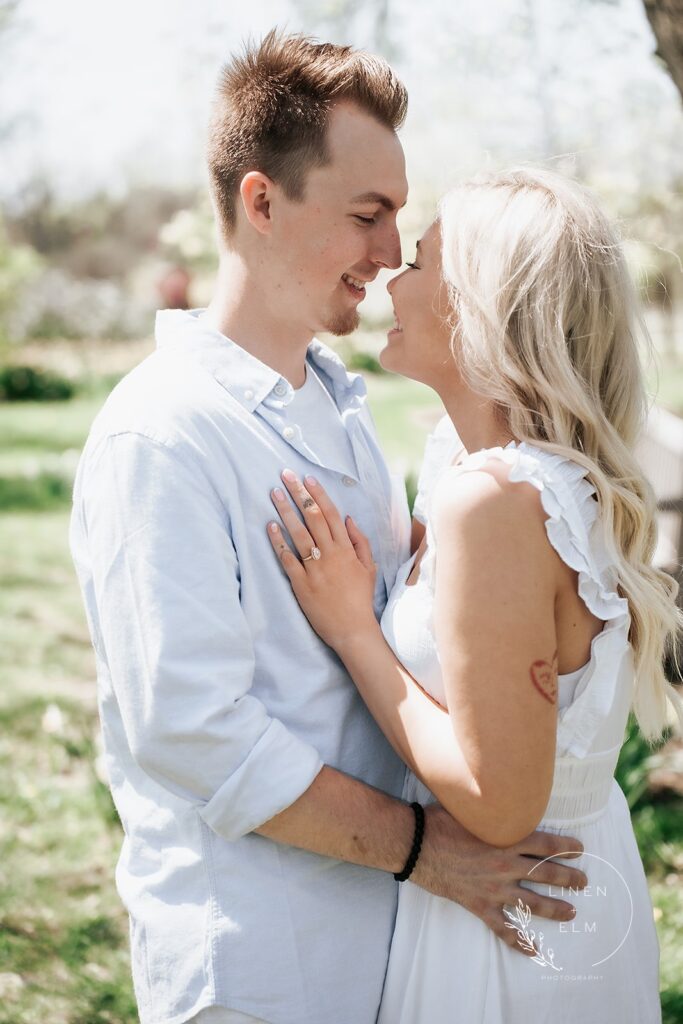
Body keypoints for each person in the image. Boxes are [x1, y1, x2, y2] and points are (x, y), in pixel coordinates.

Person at [70, 35, 587, 1024]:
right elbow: (194, 734)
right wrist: (419, 847)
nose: (391, 252)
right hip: (262, 962)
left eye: (396, 214)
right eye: (367, 214)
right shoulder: (161, 434)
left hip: (400, 948)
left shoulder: (343, 403)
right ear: (261, 203)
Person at [267, 167, 683, 1023]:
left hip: (518, 910)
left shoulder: (492, 501)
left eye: (418, 263)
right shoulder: (487, 478)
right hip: (547, 886)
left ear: (478, 308)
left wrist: (354, 633)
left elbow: (498, 806)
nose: (390, 274)